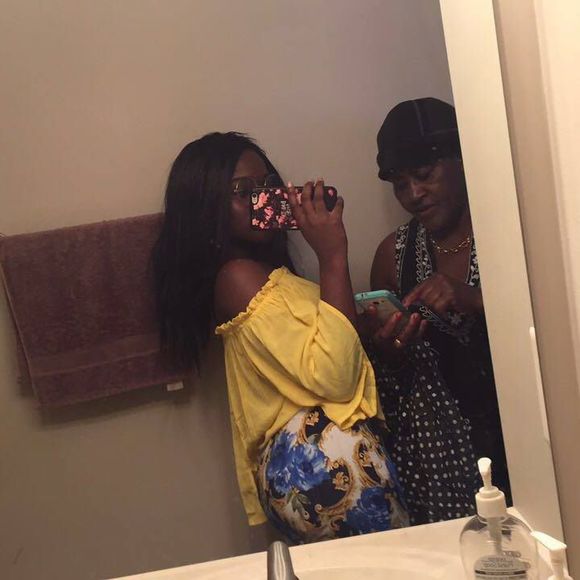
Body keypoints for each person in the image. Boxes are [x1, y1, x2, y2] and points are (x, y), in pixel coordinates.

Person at [152, 132, 408, 544]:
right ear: (206, 207)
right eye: (243, 191)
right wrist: (333, 255)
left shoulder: (271, 279)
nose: (263, 197)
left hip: (328, 473)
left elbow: (318, 357)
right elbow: (335, 379)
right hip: (323, 474)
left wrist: (364, 335)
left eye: (268, 184)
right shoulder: (238, 278)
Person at [365, 98, 510, 525]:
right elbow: (386, 380)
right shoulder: (393, 255)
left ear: (462, 160)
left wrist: (476, 299)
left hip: (528, 434)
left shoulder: (507, 230)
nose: (413, 194)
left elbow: (555, 318)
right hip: (440, 465)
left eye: (425, 175)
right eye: (400, 184)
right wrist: (390, 349)